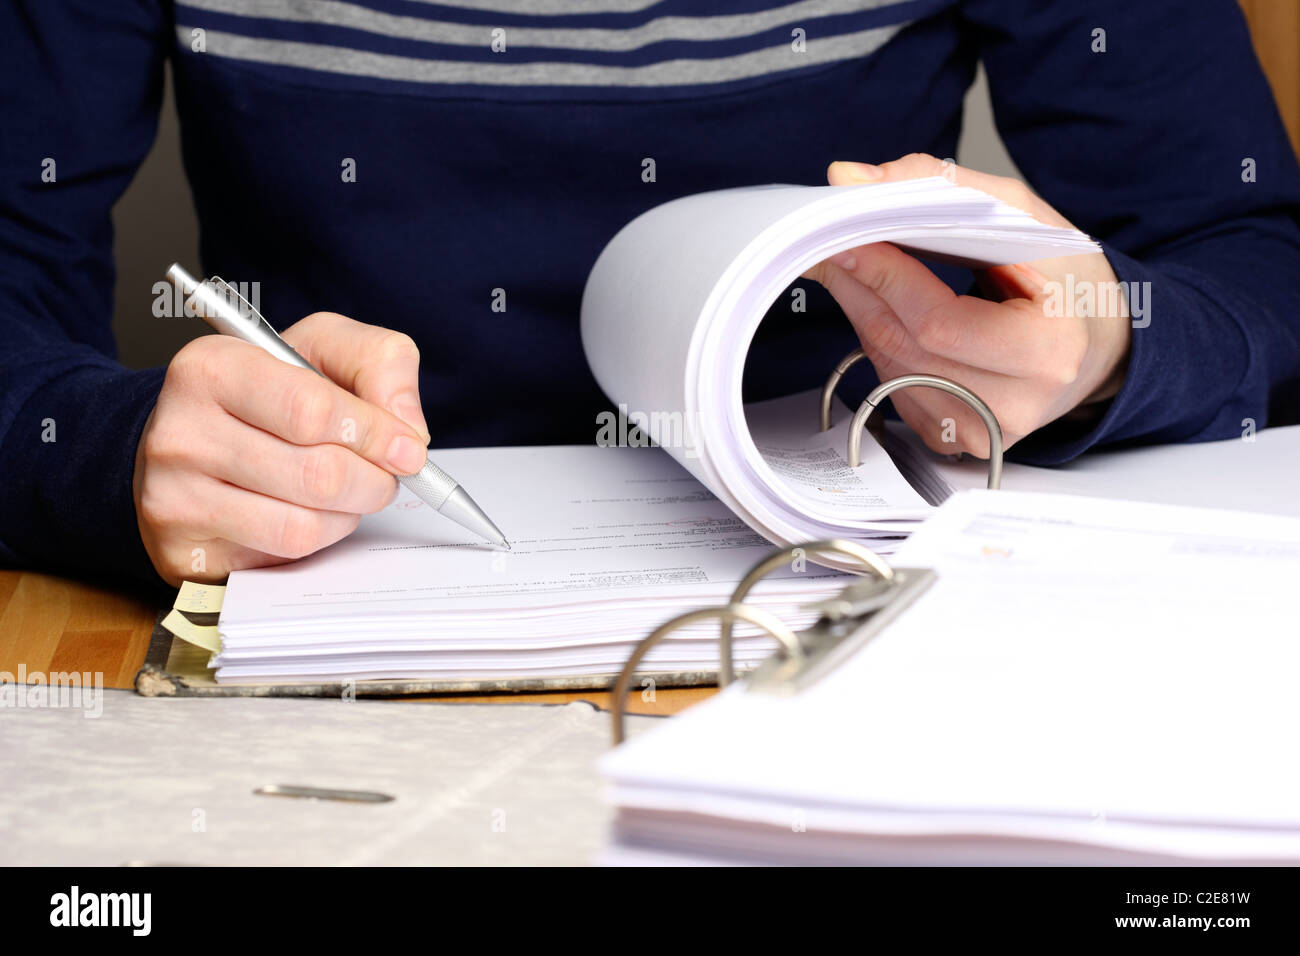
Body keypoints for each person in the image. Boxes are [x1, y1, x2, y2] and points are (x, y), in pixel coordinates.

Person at [1, 0, 1297, 588]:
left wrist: (1108, 345)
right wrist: (115, 456)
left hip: (863, 596)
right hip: (332, 569)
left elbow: (1257, 254)